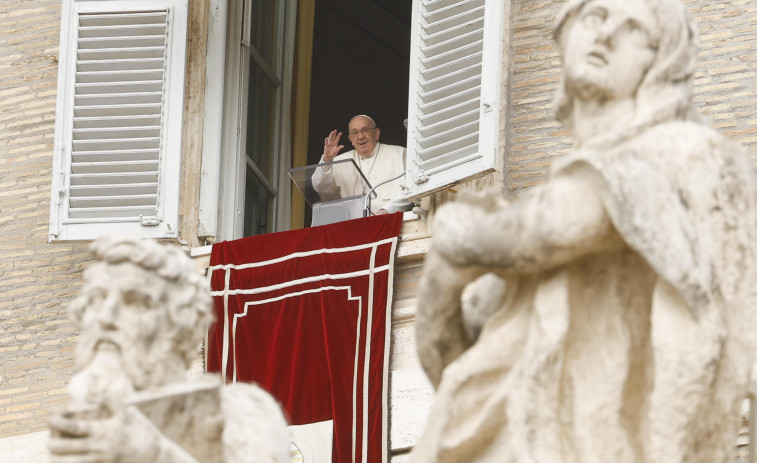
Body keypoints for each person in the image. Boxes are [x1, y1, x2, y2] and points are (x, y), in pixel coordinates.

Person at [410, 0, 757, 462]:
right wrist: (451, 261)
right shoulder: (529, 250)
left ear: (663, 62)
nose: (606, 34)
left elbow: (557, 227)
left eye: (634, 29)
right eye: (594, 16)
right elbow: (453, 369)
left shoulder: (678, 154)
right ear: (567, 31)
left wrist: (459, 239)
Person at [47, 236, 290, 463]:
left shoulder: (241, 412)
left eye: (133, 301)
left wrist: (154, 453)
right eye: (97, 299)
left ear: (181, 324)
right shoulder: (65, 439)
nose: (106, 316)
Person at [311, 115, 406, 214]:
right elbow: (320, 188)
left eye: (365, 130)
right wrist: (326, 160)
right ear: (350, 139)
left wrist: (386, 211)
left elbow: (410, 191)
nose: (360, 137)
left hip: (392, 220)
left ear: (376, 133)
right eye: (355, 133)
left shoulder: (399, 154)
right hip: (356, 225)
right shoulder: (340, 161)